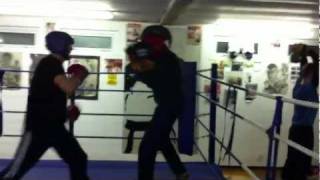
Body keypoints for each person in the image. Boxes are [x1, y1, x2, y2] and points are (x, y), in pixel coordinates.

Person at [0, 31, 90, 180]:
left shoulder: (53, 65)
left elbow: (49, 97)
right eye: (69, 46)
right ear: (61, 46)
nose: (71, 49)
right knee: (15, 171)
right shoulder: (50, 63)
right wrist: (79, 75)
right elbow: (68, 87)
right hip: (39, 130)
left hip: (55, 129)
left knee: (78, 158)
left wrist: (65, 113)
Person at [125, 39, 189, 179]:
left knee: (147, 146)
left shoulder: (165, 65)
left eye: (135, 60)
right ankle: (180, 171)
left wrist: (139, 68)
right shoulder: (157, 64)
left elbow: (148, 71)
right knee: (162, 140)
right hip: (167, 105)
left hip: (170, 106)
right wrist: (137, 67)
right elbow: (136, 70)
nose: (133, 64)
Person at [282, 47, 319, 180]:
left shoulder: (298, 88)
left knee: (292, 158)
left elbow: (307, 70)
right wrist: (309, 58)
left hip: (295, 129)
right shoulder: (309, 90)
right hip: (304, 131)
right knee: (302, 161)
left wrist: (307, 58)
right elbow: (311, 68)